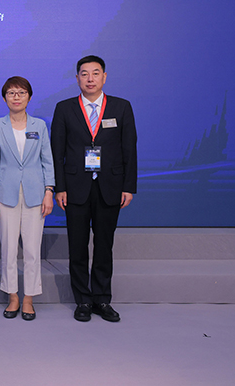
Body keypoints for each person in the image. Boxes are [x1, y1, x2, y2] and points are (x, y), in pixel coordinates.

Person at [51, 55, 137, 322]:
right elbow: (57, 152)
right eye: (84, 74)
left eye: (95, 73)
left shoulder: (121, 107)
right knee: (77, 247)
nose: (90, 79)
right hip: (75, 188)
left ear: (104, 77)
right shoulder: (64, 108)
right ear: (77, 78)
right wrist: (59, 188)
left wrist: (128, 187)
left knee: (104, 246)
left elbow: (129, 149)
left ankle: (101, 299)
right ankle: (83, 301)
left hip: (110, 187)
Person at [0, 76, 55, 321]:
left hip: (36, 193)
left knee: (32, 249)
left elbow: (47, 161)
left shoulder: (39, 125)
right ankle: (12, 295)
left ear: (29, 96)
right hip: (6, 193)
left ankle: (29, 298)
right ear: (4, 97)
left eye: (21, 92)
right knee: (8, 247)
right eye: (11, 93)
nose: (16, 97)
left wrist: (50, 191)